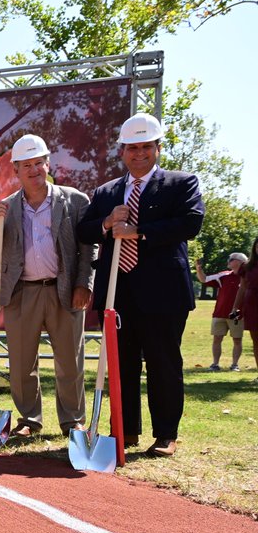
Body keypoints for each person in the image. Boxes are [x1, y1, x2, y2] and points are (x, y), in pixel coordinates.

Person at [77, 113, 204, 457]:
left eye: (147, 146)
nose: (139, 154)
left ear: (158, 148)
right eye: (132, 148)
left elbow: (191, 222)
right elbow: (84, 231)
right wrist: (106, 222)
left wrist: (138, 231)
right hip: (118, 292)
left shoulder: (181, 183)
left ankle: (166, 435)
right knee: (122, 364)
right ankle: (125, 431)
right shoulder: (106, 192)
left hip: (164, 294)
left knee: (163, 363)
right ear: (122, 151)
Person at [0, 134, 94, 438]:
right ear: (15, 171)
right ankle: (29, 420)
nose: (33, 170)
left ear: (47, 164)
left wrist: (84, 283)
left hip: (65, 290)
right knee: (20, 364)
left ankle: (73, 422)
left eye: (38, 163)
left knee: (70, 360)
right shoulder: (5, 208)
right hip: (21, 293)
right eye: (25, 165)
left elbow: (87, 247)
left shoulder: (74, 201)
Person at [196, 252, 247, 371]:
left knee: (237, 340)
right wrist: (199, 268)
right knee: (217, 339)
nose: (228, 261)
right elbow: (204, 279)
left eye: (231, 259)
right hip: (219, 313)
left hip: (237, 315)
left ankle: (235, 365)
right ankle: (215, 364)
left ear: (240, 262)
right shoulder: (224, 275)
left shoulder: (247, 276)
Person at [229, 239, 258, 374]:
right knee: (256, 341)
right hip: (252, 305)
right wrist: (235, 307)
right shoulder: (247, 266)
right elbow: (242, 288)